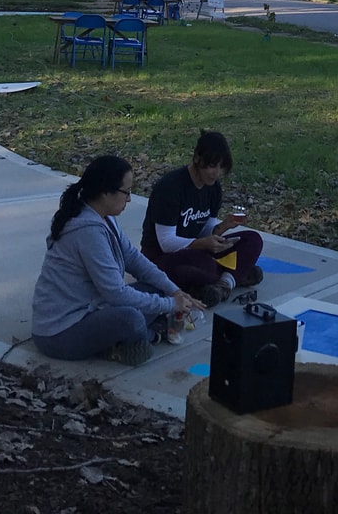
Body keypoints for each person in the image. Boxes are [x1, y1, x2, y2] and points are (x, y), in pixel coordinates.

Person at [31, 155, 203, 366]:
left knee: (156, 289)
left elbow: (134, 259)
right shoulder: (88, 231)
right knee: (131, 319)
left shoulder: (104, 218)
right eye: (126, 192)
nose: (129, 199)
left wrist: (174, 292)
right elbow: (116, 293)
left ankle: (139, 338)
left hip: (93, 309)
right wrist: (169, 305)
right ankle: (149, 336)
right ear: (105, 192)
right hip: (59, 332)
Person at [141, 131, 263, 307]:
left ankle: (224, 284)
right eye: (212, 166)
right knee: (205, 265)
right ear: (197, 158)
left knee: (253, 240)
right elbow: (166, 242)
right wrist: (204, 244)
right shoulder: (170, 187)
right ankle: (235, 273)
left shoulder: (213, 188)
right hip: (162, 256)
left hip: (197, 249)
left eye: (221, 167)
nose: (216, 173)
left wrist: (223, 227)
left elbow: (205, 232)